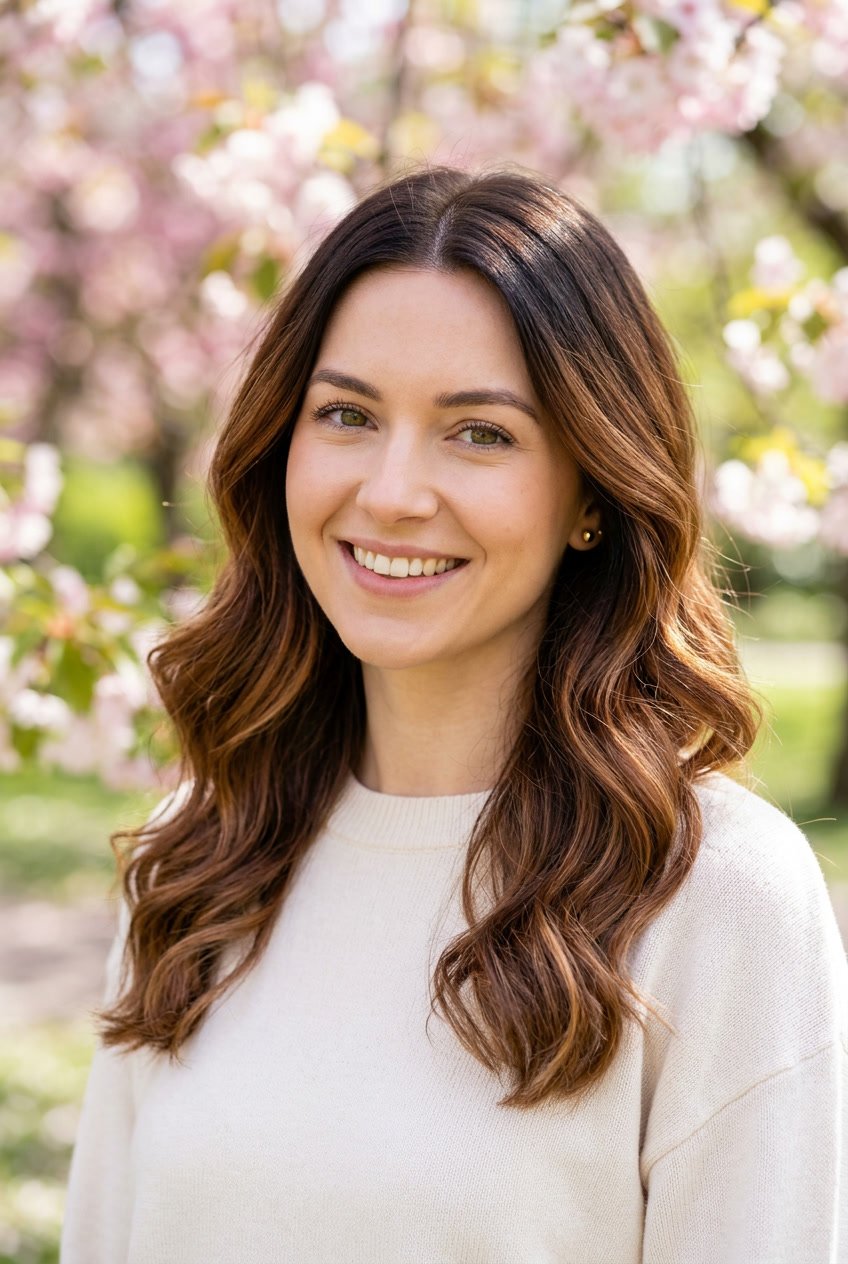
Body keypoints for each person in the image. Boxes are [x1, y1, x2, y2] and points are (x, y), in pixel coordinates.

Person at [61, 164, 847, 1263]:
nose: (389, 491)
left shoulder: (711, 896)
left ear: (590, 491)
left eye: (477, 433)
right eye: (345, 414)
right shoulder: (198, 854)